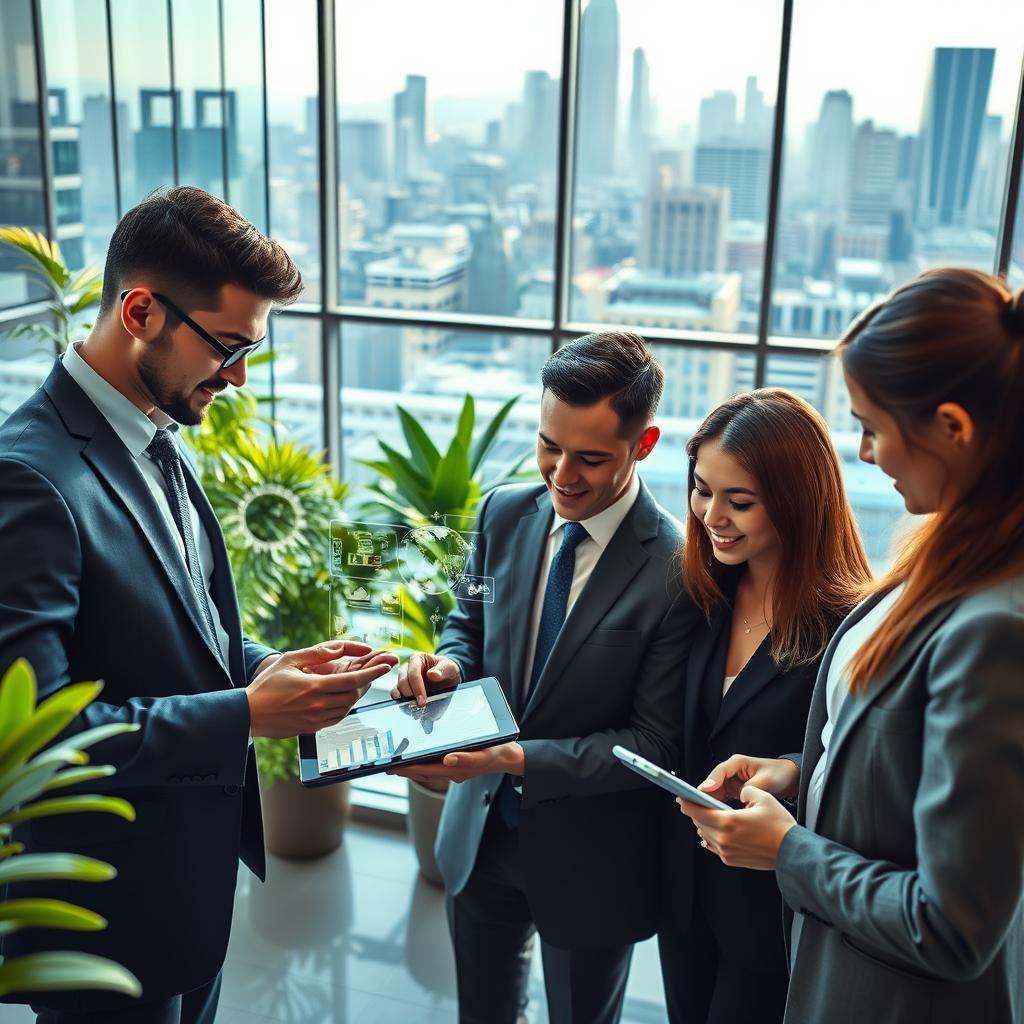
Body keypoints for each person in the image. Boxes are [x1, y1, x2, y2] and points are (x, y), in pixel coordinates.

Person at [0, 186, 398, 1024]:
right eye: (227, 347)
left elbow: (180, 636)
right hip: (102, 922)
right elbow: (35, 738)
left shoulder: (157, 430)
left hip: (188, 898)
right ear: (140, 310)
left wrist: (272, 670)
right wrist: (246, 713)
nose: (241, 377)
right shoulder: (29, 479)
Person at [680, 267, 1024, 1024]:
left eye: (871, 425)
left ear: (953, 428)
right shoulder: (940, 560)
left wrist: (790, 851)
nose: (864, 453)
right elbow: (904, 761)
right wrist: (799, 773)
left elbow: (953, 925)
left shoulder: (995, 623)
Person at [389, 332, 700, 1024]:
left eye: (591, 458)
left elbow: (654, 745)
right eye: (547, 446)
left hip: (593, 864)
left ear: (643, 446)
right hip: (480, 835)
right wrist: (446, 665)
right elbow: (465, 621)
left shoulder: (677, 570)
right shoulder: (503, 510)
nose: (561, 474)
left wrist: (516, 757)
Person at [659, 388, 871, 1024]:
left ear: (797, 500)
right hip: (686, 898)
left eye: (739, 501)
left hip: (772, 909)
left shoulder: (850, 625)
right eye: (702, 490)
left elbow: (855, 768)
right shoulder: (699, 594)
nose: (710, 516)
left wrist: (793, 768)